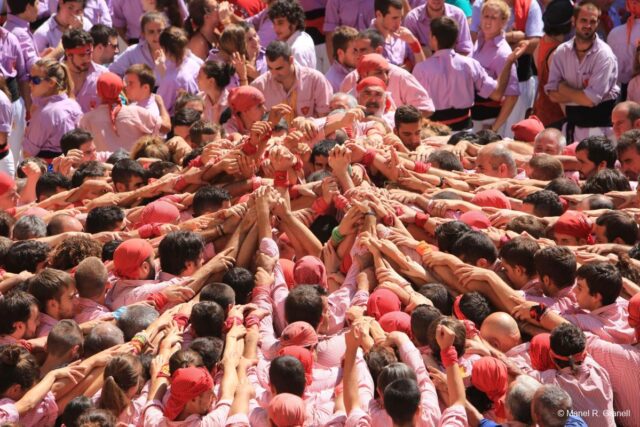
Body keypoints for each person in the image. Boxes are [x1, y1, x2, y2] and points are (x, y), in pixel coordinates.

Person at [545, 1, 620, 142]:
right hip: (571, 129)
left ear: (598, 23)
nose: (588, 25)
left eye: (592, 21)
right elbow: (552, 95)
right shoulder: (561, 52)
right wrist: (582, 96)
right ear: (574, 21)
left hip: (600, 129)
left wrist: (562, 87)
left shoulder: (604, 55)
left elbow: (591, 100)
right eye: (583, 20)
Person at [79, 72, 164, 153]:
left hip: (102, 167)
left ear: (98, 92)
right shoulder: (136, 112)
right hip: (133, 166)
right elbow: (165, 127)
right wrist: (161, 105)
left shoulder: (87, 119)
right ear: (120, 89)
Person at [471, 0, 520, 135]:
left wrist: (493, 129)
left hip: (488, 121)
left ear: (503, 22)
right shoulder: (477, 43)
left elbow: (512, 96)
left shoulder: (503, 53)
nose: (488, 21)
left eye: (493, 17)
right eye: (486, 16)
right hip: (472, 118)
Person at [251, 41, 333, 118]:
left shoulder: (315, 80)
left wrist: (308, 123)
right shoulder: (259, 86)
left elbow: (325, 117)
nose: (274, 73)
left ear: (291, 60)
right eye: (270, 68)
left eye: (279, 68)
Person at [23, 59, 82, 160]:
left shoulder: (46, 114)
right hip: (69, 167)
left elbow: (28, 154)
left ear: (51, 82)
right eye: (29, 78)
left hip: (50, 170)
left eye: (36, 80)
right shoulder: (73, 104)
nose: (30, 84)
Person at [533, 0, 573, 129]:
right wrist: (572, 125)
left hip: (541, 116)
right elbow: (561, 97)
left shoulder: (541, 43)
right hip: (556, 123)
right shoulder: (558, 54)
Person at [109, 12, 169, 80]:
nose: (157, 36)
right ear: (143, 34)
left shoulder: (175, 51)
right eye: (151, 32)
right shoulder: (133, 52)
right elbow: (112, 71)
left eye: (160, 31)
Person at [62, 29, 108, 113]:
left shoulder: (103, 74)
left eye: (90, 53)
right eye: (82, 55)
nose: (88, 59)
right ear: (68, 54)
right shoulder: (54, 76)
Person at [404, 0, 473, 55]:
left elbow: (465, 50)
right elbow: (410, 54)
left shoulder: (458, 15)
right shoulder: (412, 19)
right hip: (423, 70)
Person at [268, 0, 317, 69]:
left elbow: (300, 79)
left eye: (280, 23)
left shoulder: (296, 51)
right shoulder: (304, 36)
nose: (276, 28)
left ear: (294, 22)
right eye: (274, 23)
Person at [325, 26, 359, 92]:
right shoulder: (330, 82)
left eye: (360, 49)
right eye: (355, 50)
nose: (359, 54)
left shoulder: (360, 72)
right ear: (340, 53)